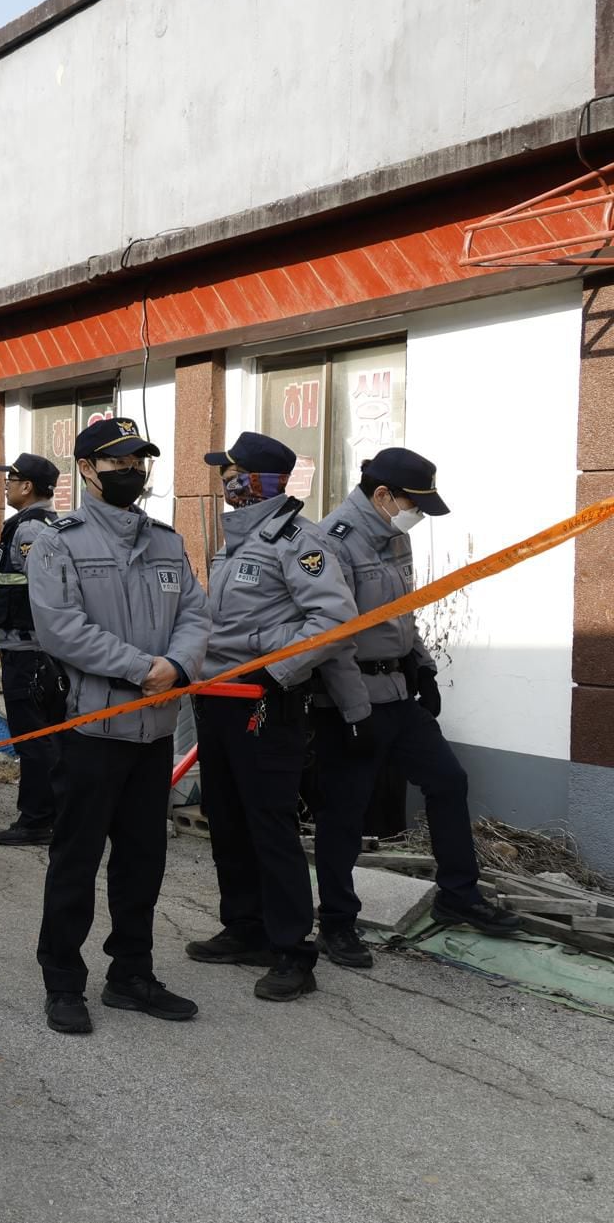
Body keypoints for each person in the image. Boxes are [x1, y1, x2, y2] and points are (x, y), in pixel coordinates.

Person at [29, 417, 209, 1035]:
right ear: (87, 470)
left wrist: (179, 664)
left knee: (143, 860)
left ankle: (131, 972)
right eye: (118, 462)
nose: (132, 471)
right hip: (92, 730)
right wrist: (144, 669)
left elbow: (195, 613)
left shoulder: (166, 541)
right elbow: (60, 628)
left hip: (154, 733)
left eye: (140, 461)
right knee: (76, 860)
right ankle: (62, 980)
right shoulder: (60, 542)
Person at [309, 448, 522, 966]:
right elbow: (331, 639)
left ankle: (458, 896)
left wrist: (421, 665)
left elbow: (402, 613)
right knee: (344, 813)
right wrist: (355, 713)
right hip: (351, 699)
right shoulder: (327, 543)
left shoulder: (394, 536)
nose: (418, 515)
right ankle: (336, 923)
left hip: (399, 692)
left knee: (448, 781)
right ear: (382, 495)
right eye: (414, 504)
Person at [184, 432, 359, 1003]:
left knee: (269, 826)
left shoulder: (298, 542)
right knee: (226, 817)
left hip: (263, 703)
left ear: (258, 479)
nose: (224, 481)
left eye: (230, 472)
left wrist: (271, 665)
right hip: (218, 698)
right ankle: (246, 928)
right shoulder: (235, 540)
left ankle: (292, 951)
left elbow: (333, 619)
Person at [0, 452, 68, 847]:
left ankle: (38, 819)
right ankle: (50, 813)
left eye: (12, 479)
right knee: (47, 734)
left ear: (27, 487)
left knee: (34, 737)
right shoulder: (45, 525)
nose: (6, 485)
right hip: (36, 649)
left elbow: (44, 589)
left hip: (30, 650)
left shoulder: (30, 530)